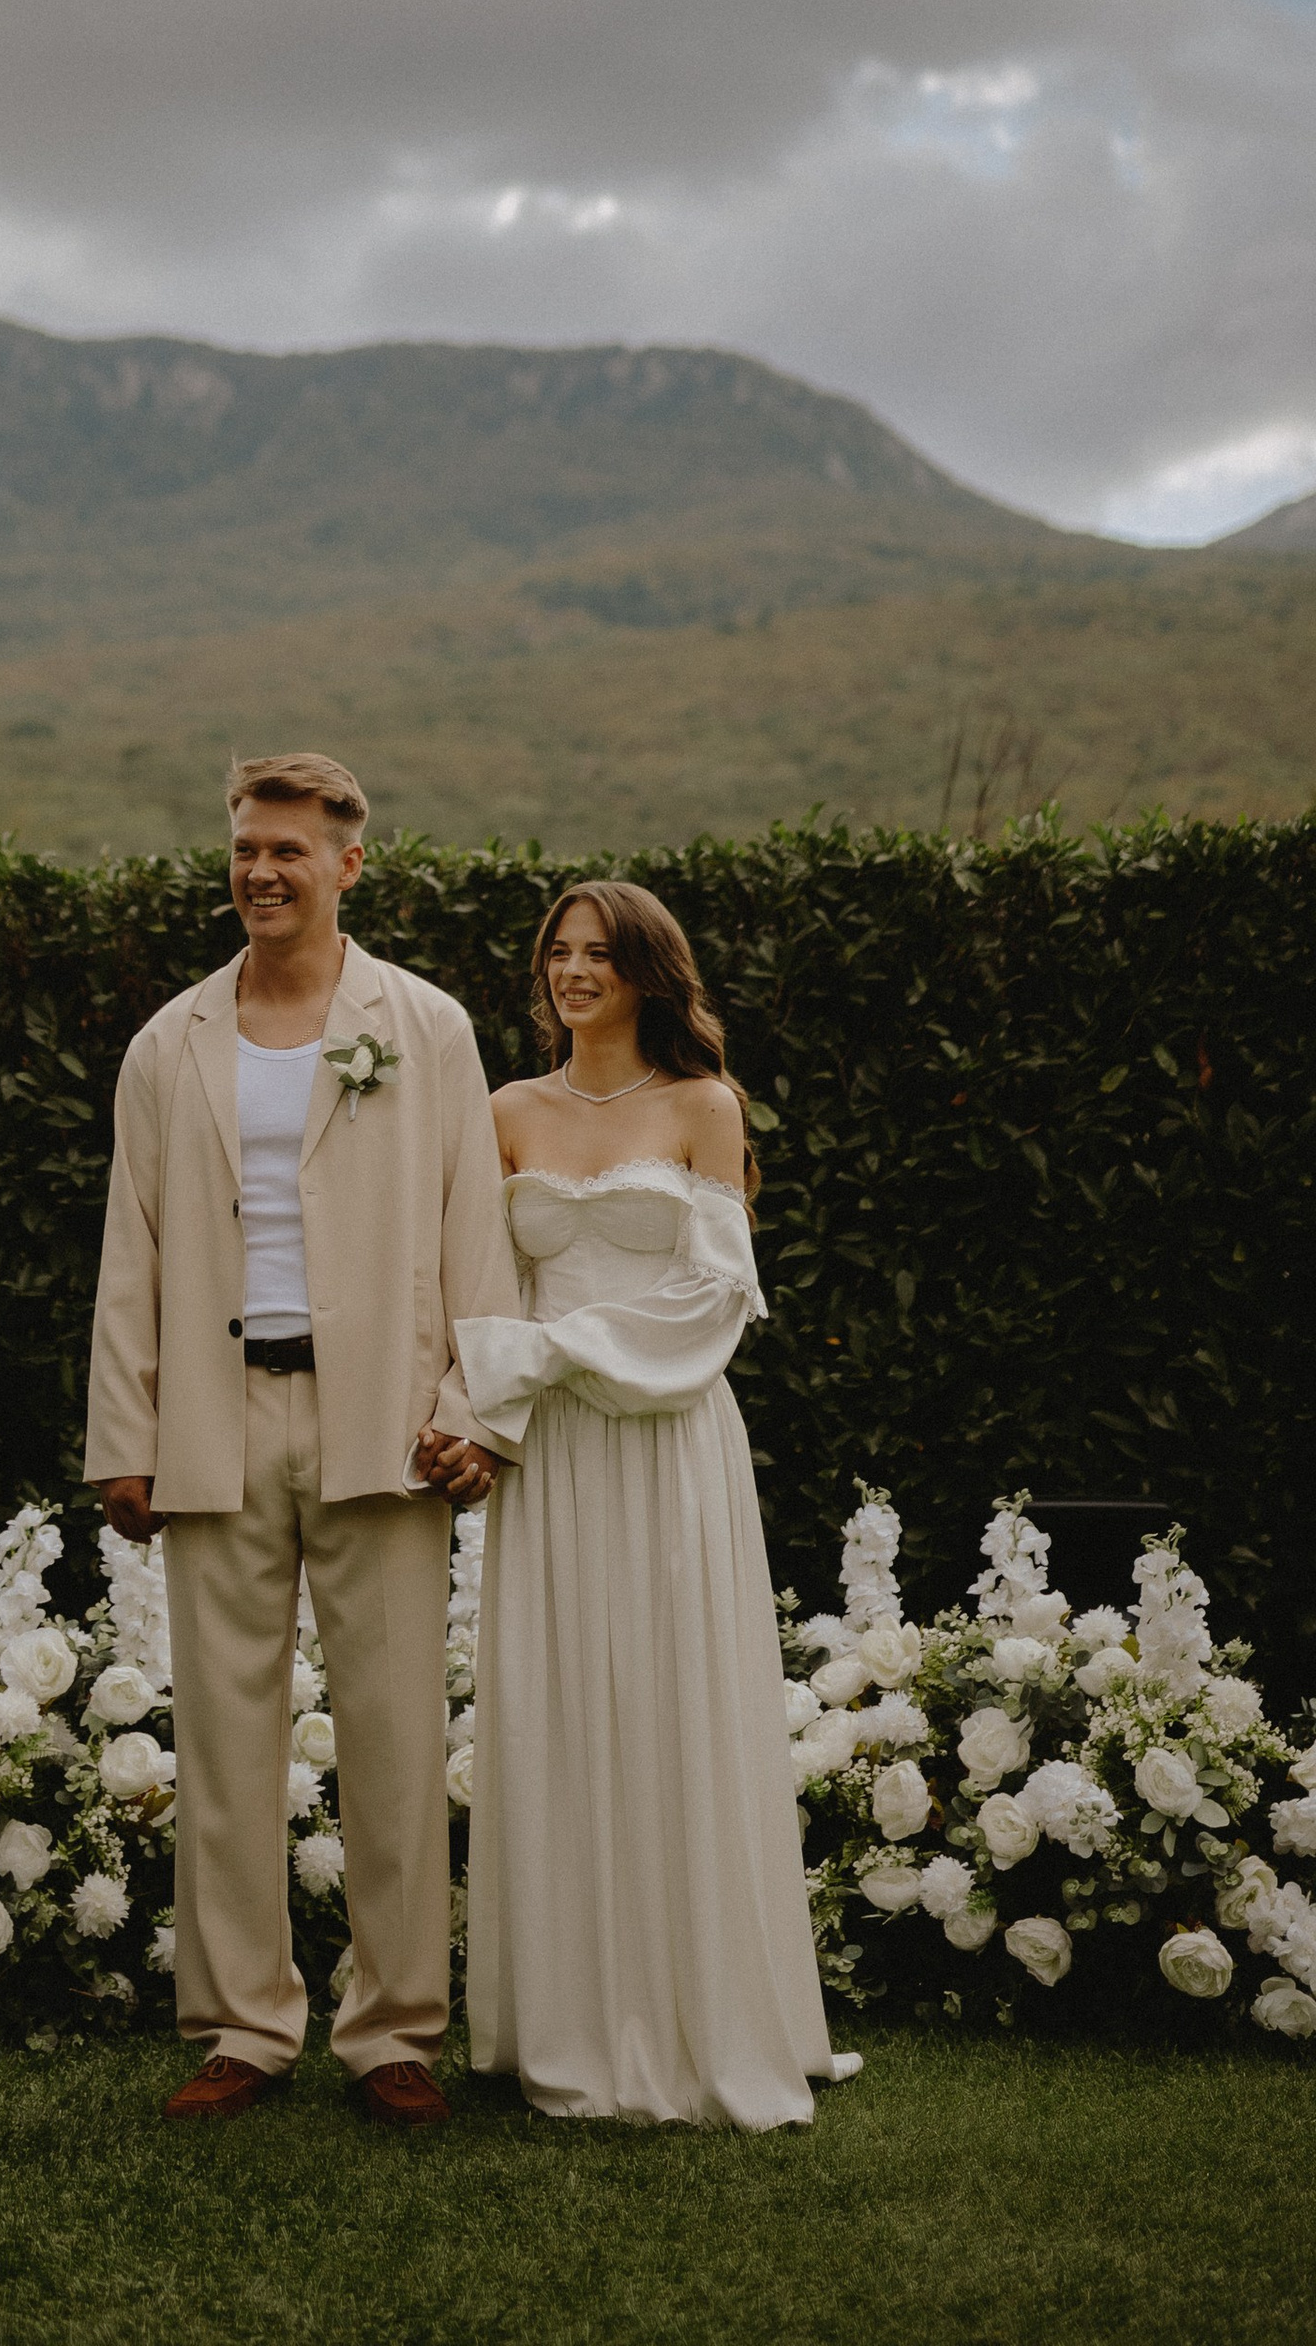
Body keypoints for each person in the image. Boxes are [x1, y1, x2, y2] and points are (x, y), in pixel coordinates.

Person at [84, 750, 521, 2128]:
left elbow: (475, 1233)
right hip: (217, 1419)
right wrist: (124, 1435)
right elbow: (131, 1255)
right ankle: (243, 2028)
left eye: (288, 850)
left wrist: (473, 1410)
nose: (261, 872)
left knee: (394, 1739)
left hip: (384, 1422)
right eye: (244, 849)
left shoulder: (429, 1027)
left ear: (349, 863)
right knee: (225, 1745)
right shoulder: (170, 1045)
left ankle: (394, 2031)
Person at [455, 880, 853, 2126]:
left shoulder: (702, 1106)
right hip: (554, 1455)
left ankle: (704, 2021)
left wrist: (545, 1351)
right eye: (558, 954)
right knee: (562, 1705)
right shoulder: (504, 1110)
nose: (575, 973)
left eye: (600, 955)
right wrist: (500, 1395)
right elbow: (472, 1280)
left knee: (673, 1701)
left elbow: (712, 1300)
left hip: (668, 1440)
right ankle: (565, 2023)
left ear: (647, 973)